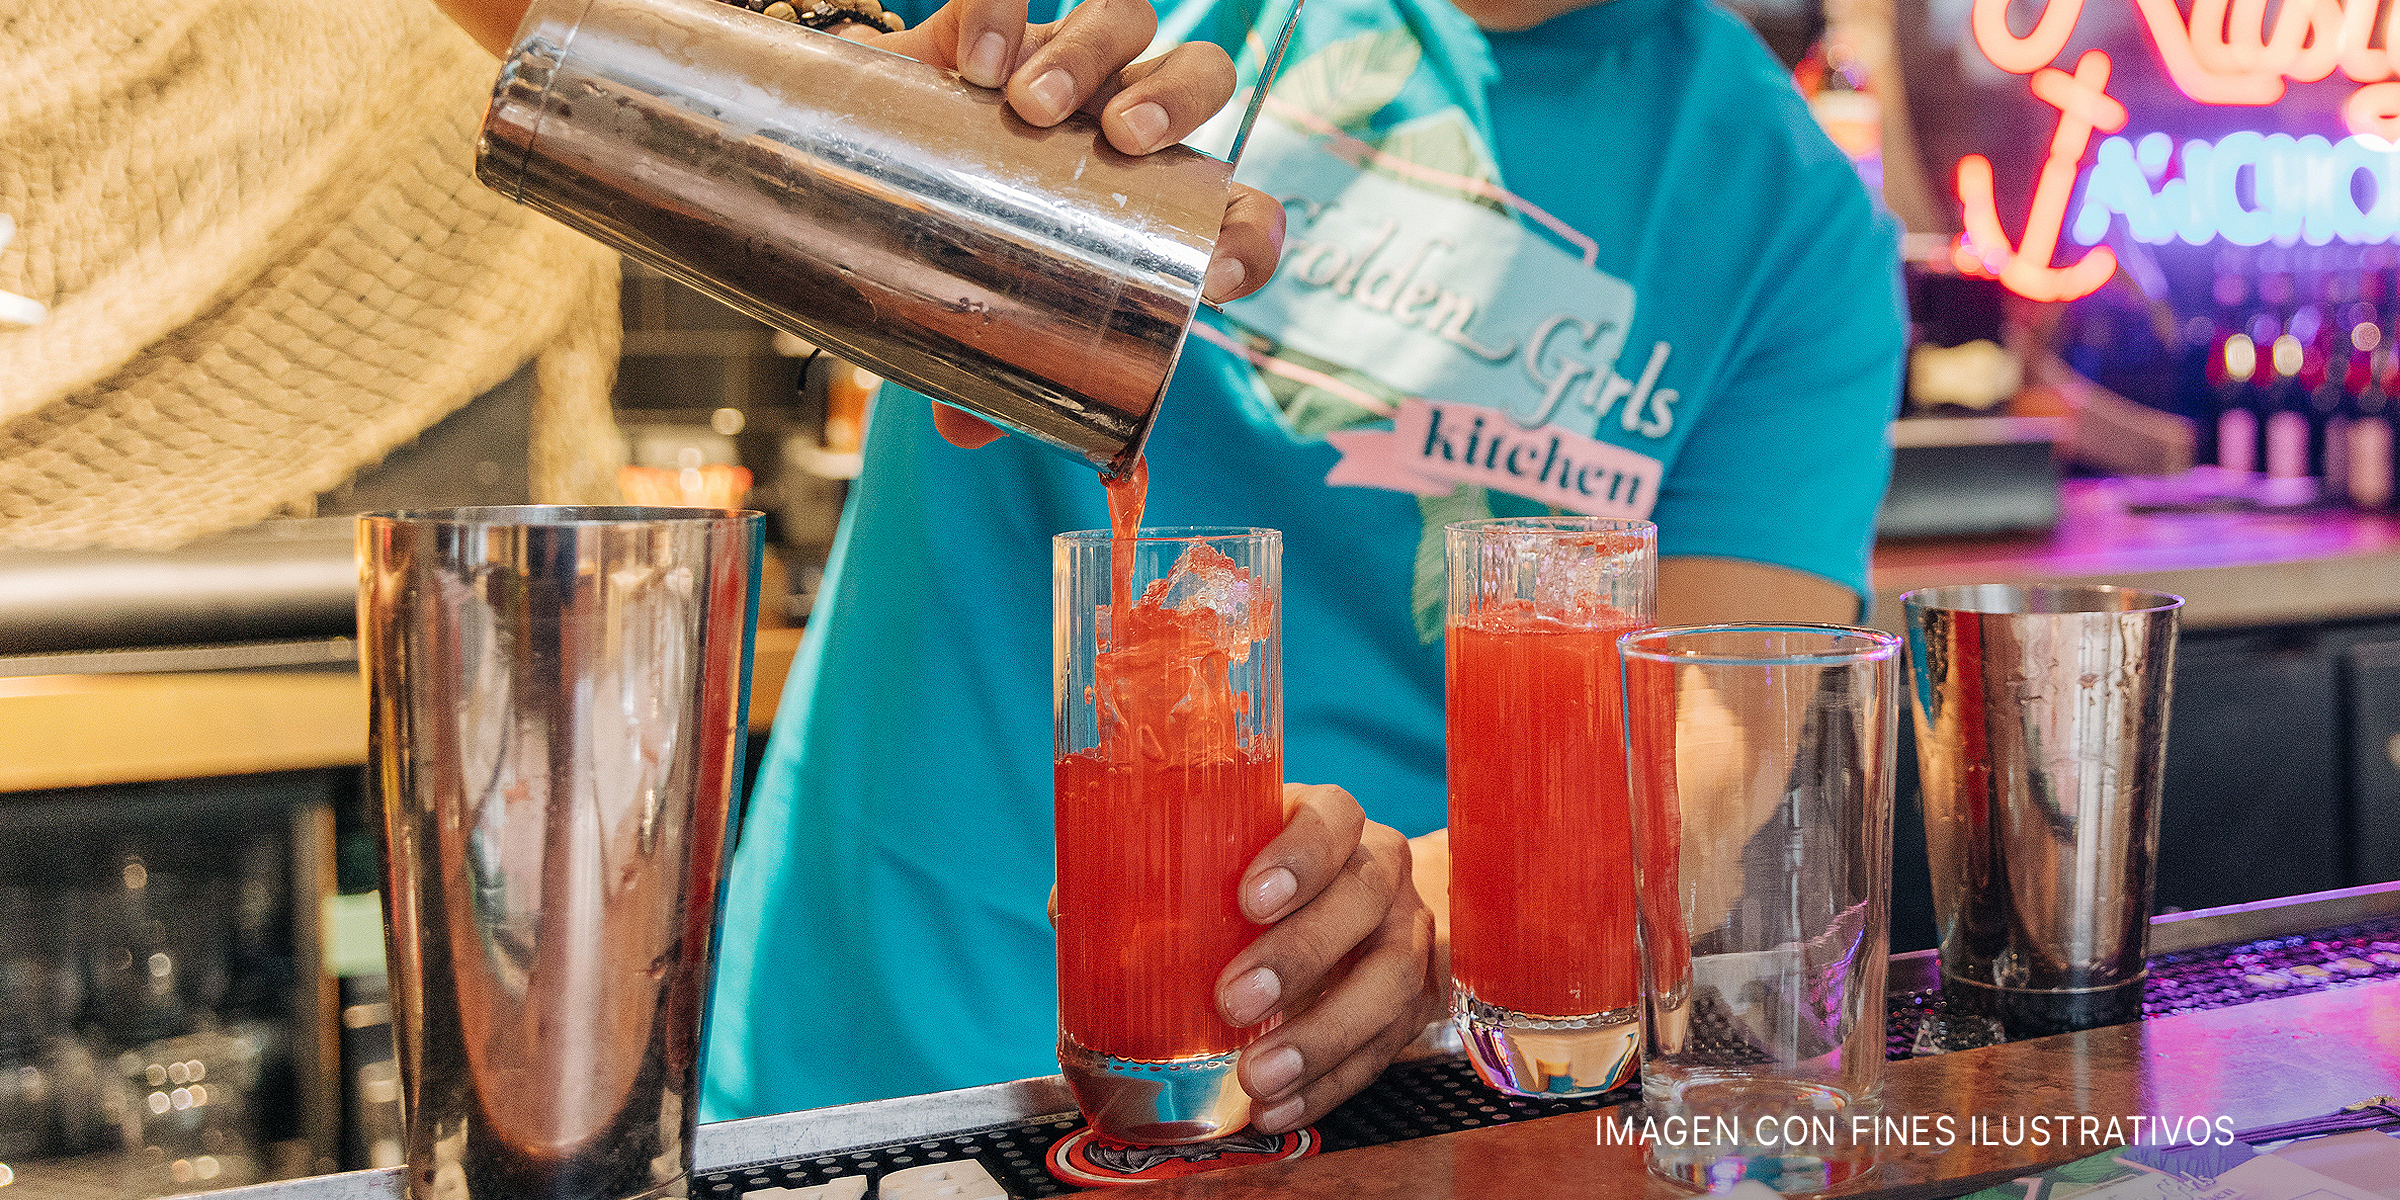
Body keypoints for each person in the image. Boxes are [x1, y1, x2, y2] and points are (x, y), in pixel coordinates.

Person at [710, 0, 1906, 1134]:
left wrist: (1404, 916)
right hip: (861, 1056)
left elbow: (1705, 741)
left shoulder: (1791, 217)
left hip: (1329, 1102)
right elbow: (576, 43)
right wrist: (860, 128)